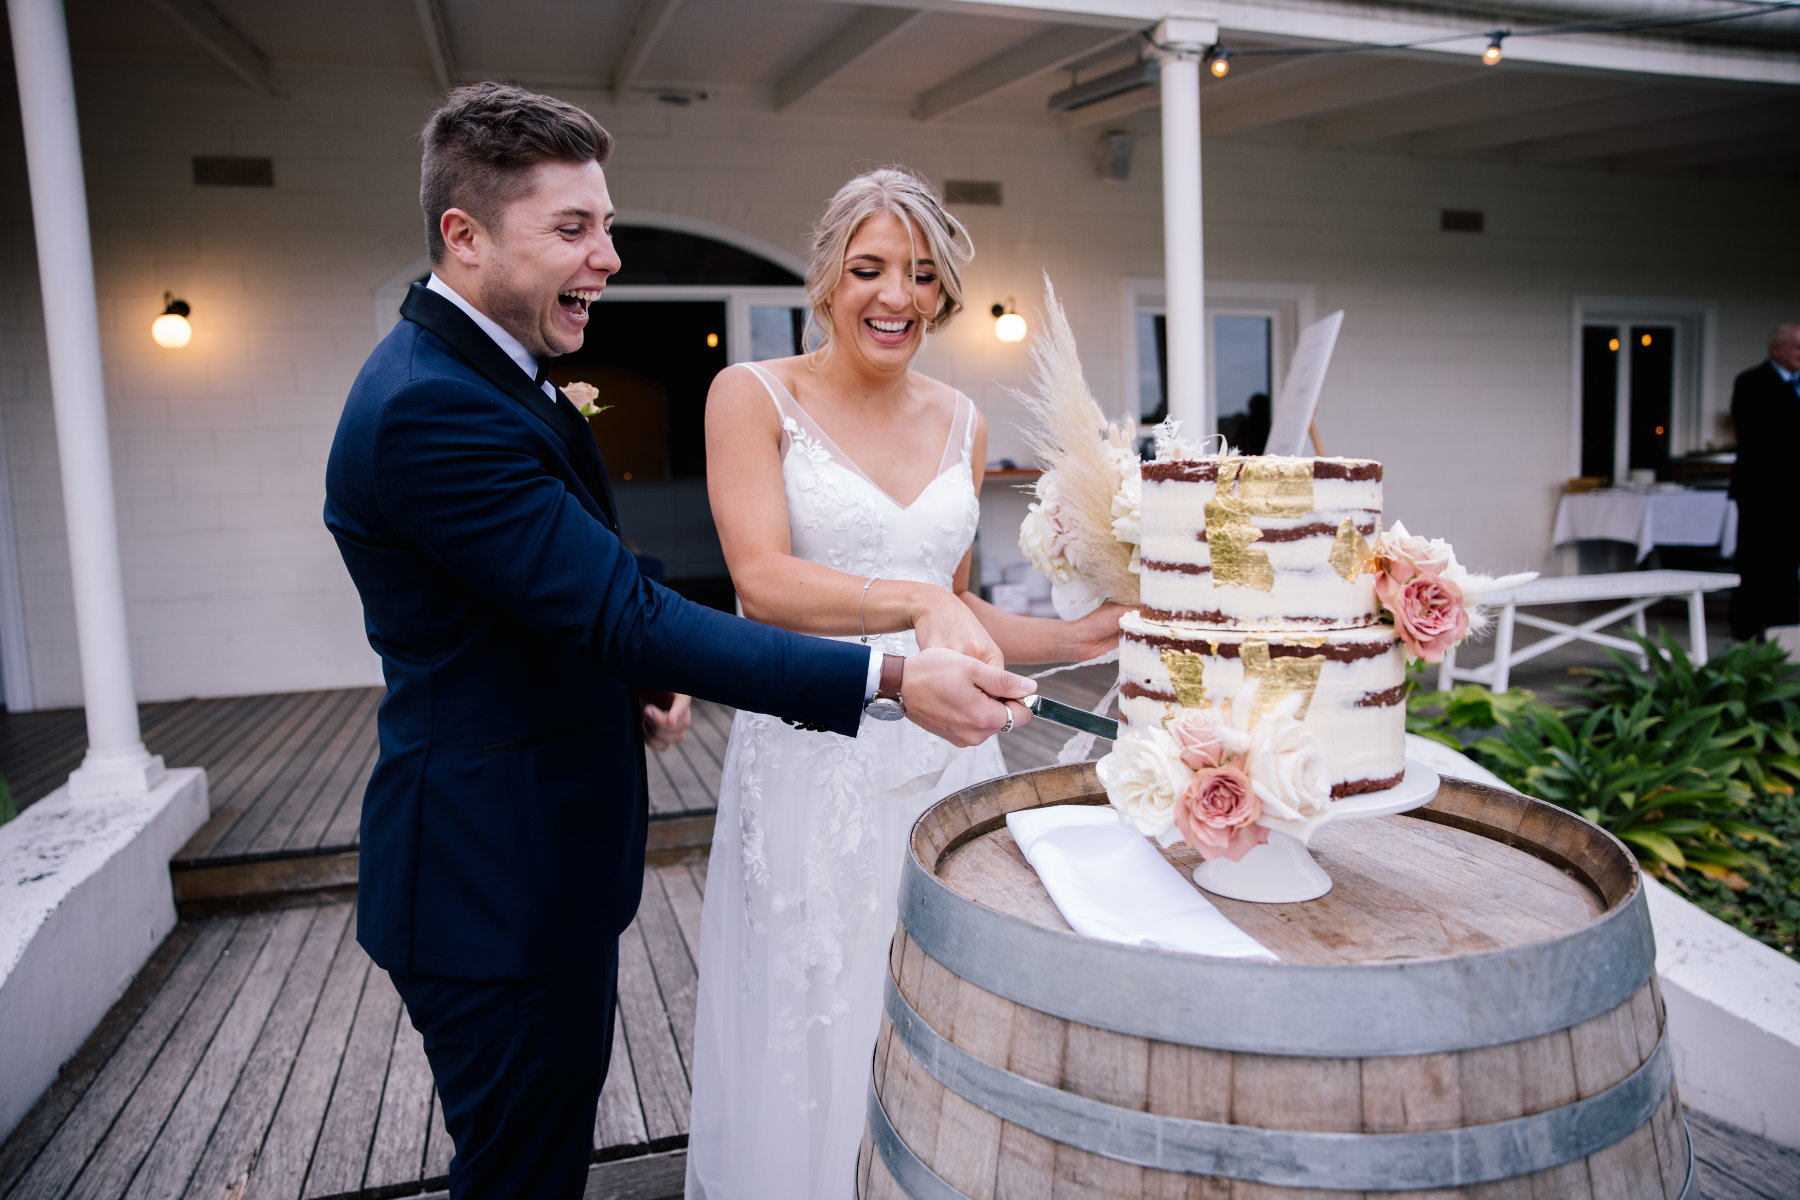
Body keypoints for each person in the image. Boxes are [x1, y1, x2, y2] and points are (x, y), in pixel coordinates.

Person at [323, 87, 1037, 1200]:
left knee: (540, 1161)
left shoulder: (497, 380)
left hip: (542, 866)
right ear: (463, 236)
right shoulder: (431, 406)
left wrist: (639, 677)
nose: (608, 257)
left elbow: (573, 583)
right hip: (489, 882)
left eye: (602, 225)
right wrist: (889, 674)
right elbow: (625, 611)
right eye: (574, 230)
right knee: (519, 1178)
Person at [684, 168, 1124, 1200]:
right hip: (809, 756)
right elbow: (763, 580)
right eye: (870, 268)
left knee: (922, 1002)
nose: (897, 295)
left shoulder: (963, 421)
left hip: (936, 761)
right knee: (818, 1011)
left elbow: (957, 606)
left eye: (922, 276)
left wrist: (1076, 638)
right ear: (827, 280)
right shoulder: (751, 396)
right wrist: (915, 605)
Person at [1728, 323, 1800, 641]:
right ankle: (1749, 628)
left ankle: (1785, 629)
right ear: (1777, 349)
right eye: (1797, 347)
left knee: (1789, 564)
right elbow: (1759, 437)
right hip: (1763, 491)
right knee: (1758, 561)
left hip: (1795, 493)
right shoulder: (1752, 382)